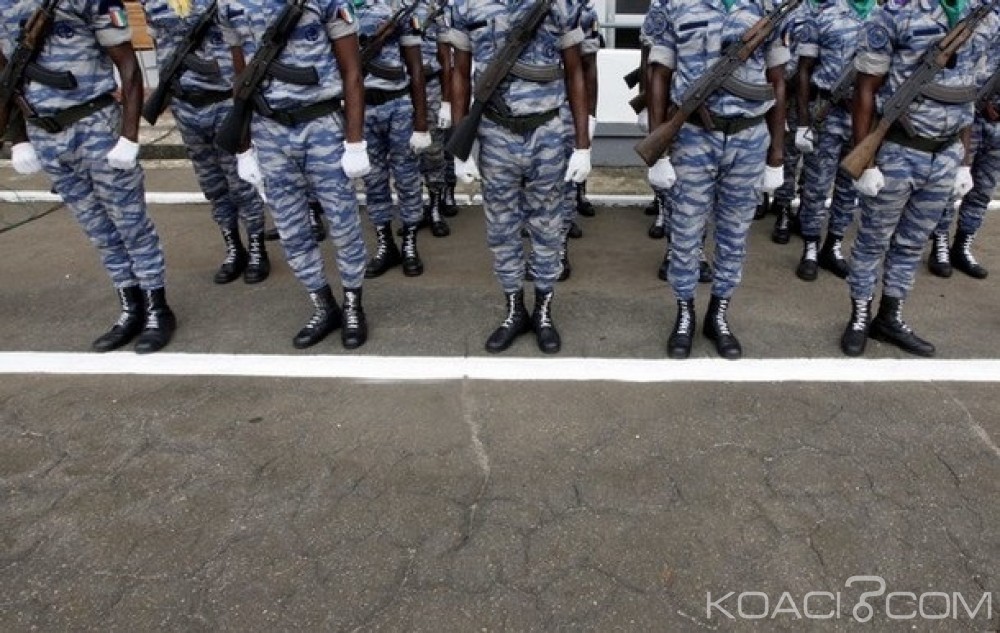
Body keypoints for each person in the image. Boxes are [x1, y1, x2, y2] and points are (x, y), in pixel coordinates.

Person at [3, 0, 176, 353]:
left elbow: (128, 64)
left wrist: (129, 136)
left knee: (131, 224)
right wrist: (19, 139)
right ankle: (130, 305)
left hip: (95, 125)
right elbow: (6, 76)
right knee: (97, 228)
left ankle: (157, 307)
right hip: (45, 134)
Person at [840, 0, 997, 357]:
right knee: (872, 241)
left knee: (912, 243)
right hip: (898, 149)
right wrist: (866, 163)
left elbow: (969, 93)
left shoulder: (983, 17)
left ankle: (890, 317)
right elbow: (865, 89)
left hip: (945, 154)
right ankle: (860, 316)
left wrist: (964, 161)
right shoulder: (894, 13)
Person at [220, 0, 372, 349]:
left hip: (322, 127)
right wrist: (244, 149)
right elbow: (241, 79)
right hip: (269, 130)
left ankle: (352, 304)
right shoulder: (228, 5)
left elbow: (352, 72)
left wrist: (354, 141)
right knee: (291, 228)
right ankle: (323, 304)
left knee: (344, 223)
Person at [645, 0, 789, 360]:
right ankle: (684, 314)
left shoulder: (769, 7)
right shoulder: (674, 5)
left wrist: (776, 156)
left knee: (734, 234)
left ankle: (719, 315)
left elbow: (778, 83)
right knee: (686, 232)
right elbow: (659, 75)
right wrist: (659, 151)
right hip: (692, 137)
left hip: (749, 137)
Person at [448, 0, 592, 354]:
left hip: (547, 130)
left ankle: (543, 311)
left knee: (548, 226)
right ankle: (514, 309)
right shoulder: (466, 4)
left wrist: (583, 144)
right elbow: (459, 73)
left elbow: (575, 70)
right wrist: (458, 147)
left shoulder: (561, 4)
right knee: (501, 228)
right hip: (495, 132)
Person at [139, 0, 271, 286]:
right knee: (211, 184)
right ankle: (233, 247)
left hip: (224, 99)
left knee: (239, 182)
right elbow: (156, 41)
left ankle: (258, 246)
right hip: (186, 104)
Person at [792, 0, 872, 281]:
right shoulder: (824, 15)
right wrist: (803, 122)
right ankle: (810, 246)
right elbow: (804, 70)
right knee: (816, 185)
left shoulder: (885, 18)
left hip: (865, 120)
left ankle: (833, 244)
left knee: (850, 187)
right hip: (828, 112)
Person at [357, 0, 430, 279]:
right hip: (361, 109)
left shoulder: (398, 9)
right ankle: (385, 244)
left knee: (407, 177)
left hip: (397, 106)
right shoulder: (340, 9)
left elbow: (416, 69)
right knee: (373, 179)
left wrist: (421, 124)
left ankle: (409, 243)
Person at [927, 21, 1000, 280]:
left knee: (982, 189)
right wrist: (980, 101)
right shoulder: (977, 14)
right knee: (951, 186)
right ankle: (940, 243)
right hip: (968, 113)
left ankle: (963, 245)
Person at [416, 0, 457, 235]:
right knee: (406, 155)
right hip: (400, 90)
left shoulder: (432, 11)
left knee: (434, 151)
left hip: (430, 86)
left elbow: (445, 59)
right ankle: (415, 209)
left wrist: (446, 102)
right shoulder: (387, 7)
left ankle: (434, 206)